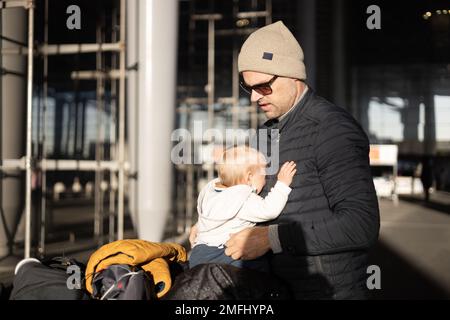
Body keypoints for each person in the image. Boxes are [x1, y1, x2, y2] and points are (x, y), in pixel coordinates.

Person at [191, 21, 380, 299]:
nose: (254, 97)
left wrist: (271, 239)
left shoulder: (333, 129)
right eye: (248, 87)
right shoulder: (265, 133)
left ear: (292, 75)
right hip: (273, 289)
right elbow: (248, 196)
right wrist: (215, 222)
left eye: (263, 86)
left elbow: (361, 225)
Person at [189, 146, 296, 273]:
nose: (266, 179)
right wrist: (282, 184)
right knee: (260, 269)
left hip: (198, 253)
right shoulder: (243, 198)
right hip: (224, 254)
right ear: (249, 177)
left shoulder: (211, 191)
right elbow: (269, 210)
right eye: (263, 174)